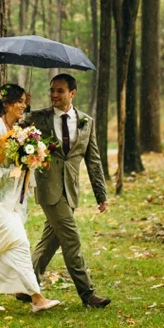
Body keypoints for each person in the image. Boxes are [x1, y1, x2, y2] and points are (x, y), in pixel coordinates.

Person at [17, 73, 111, 308]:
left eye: (59, 90)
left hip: (70, 190)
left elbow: (94, 161)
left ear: (72, 93)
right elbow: (14, 133)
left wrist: (102, 195)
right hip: (48, 189)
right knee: (71, 238)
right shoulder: (38, 118)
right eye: (52, 90)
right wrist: (23, 108)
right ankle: (88, 295)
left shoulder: (86, 122)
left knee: (50, 241)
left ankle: (25, 287)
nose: (54, 95)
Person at [0, 83, 61, 313]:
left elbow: (20, 164)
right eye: (19, 101)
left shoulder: (19, 130)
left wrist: (30, 159)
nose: (23, 105)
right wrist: (13, 172)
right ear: (7, 103)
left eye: (24, 101)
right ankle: (37, 298)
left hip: (9, 200)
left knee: (0, 247)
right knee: (19, 242)